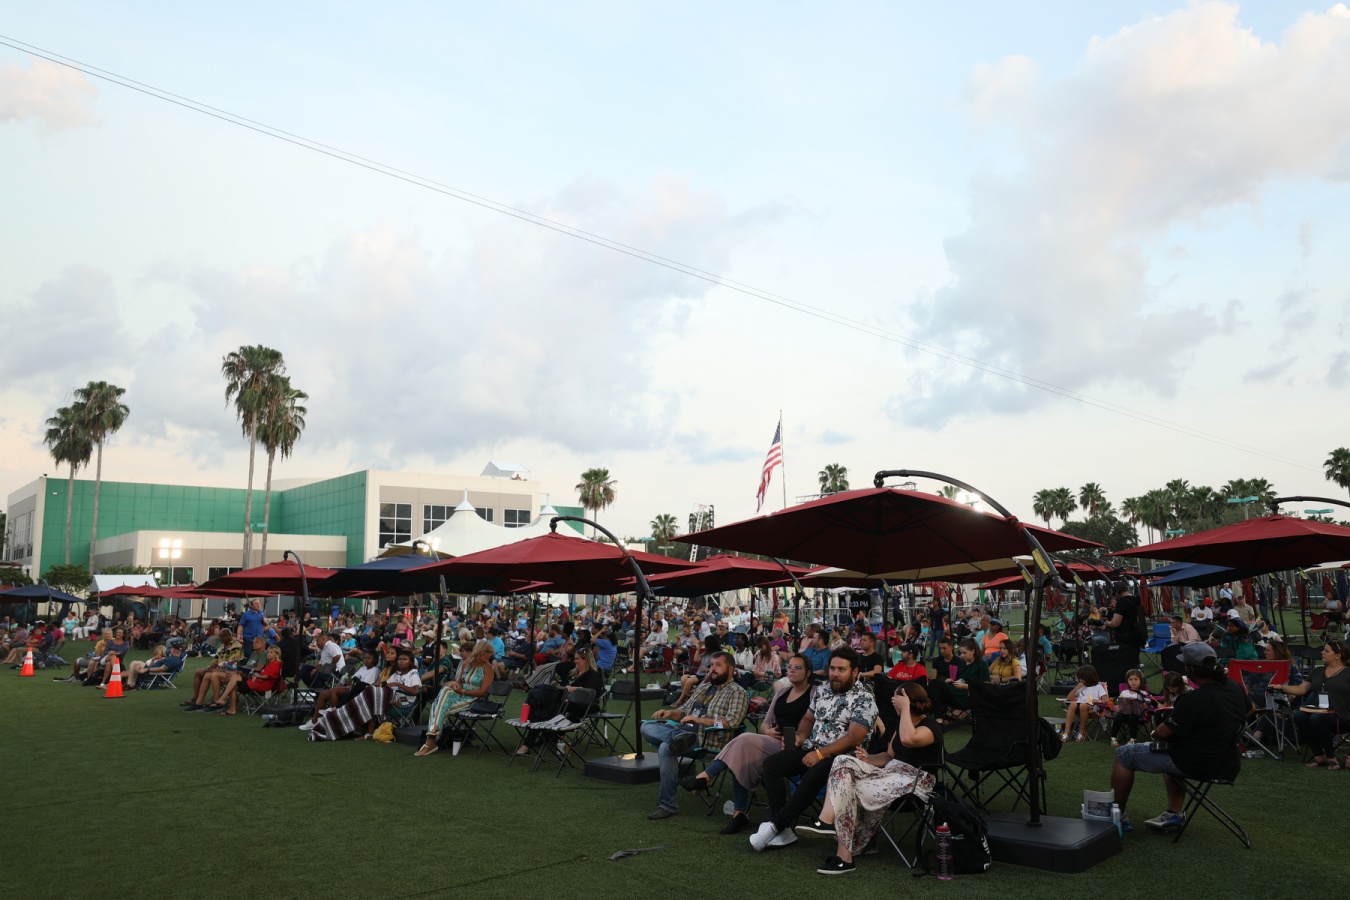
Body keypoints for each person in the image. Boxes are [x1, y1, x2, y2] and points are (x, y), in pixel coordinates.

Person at [803, 682, 942, 874]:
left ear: (906, 701)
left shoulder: (931, 727)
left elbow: (908, 739)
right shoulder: (901, 724)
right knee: (843, 760)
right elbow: (888, 756)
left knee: (849, 788)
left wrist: (906, 709)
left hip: (915, 780)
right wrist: (868, 758)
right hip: (890, 773)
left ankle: (844, 857)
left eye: (896, 699)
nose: (893, 703)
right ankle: (826, 821)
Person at [750, 648, 878, 851]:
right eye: (832, 668)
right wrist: (800, 736)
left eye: (841, 669)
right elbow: (809, 718)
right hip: (812, 748)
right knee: (771, 765)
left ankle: (776, 825)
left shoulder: (864, 698)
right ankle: (782, 828)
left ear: (854, 672)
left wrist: (820, 754)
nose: (835, 674)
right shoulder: (824, 689)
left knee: (814, 773)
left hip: (842, 758)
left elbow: (854, 738)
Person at [1110, 642, 1246, 832]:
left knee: (1124, 754)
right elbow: (1250, 710)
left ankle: (1116, 817)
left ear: (1190, 670)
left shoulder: (1194, 699)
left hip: (1199, 763)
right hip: (1228, 762)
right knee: (1172, 748)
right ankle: (1174, 813)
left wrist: (1155, 733)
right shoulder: (1234, 687)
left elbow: (1161, 733)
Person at [679, 653, 813, 833]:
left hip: (795, 744)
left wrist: (797, 736)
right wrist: (768, 731)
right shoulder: (782, 692)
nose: (792, 670)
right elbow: (765, 723)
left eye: (797, 667)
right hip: (772, 739)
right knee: (742, 753)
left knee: (743, 740)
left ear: (808, 672)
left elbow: (813, 723)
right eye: (789, 667)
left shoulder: (815, 693)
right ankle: (738, 814)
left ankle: (706, 778)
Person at [641, 651, 748, 821]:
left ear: (730, 669)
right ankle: (679, 738)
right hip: (684, 732)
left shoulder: (737, 692)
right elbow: (684, 712)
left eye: (718, 665)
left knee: (665, 748)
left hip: (706, 739)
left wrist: (700, 720)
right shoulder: (704, 687)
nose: (712, 669)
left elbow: (731, 722)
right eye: (711, 665)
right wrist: (669, 713)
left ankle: (667, 805)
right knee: (645, 726)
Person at [1276, 639, 1350, 769]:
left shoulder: (1348, 673)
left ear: (1338, 655)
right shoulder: (1318, 671)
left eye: (1326, 651)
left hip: (1343, 716)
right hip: (1320, 712)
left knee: (1316, 718)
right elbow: (1302, 689)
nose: (1322, 652)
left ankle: (1332, 758)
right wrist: (1281, 687)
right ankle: (1319, 755)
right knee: (1299, 716)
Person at [415, 639, 495, 756]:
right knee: (446, 691)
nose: (490, 655)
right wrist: (455, 685)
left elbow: (482, 692)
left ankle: (431, 739)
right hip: (459, 695)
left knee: (439, 706)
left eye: (491, 652)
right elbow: (459, 682)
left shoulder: (488, 668)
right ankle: (432, 738)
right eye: (487, 651)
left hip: (473, 699)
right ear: (479, 651)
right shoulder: (467, 664)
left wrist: (462, 691)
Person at [930, 639, 989, 721]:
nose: (962, 655)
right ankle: (939, 719)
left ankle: (938, 718)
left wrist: (965, 686)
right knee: (935, 691)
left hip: (968, 696)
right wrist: (952, 680)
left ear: (973, 651)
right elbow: (957, 678)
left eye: (964, 653)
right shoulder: (962, 663)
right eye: (961, 653)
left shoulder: (981, 664)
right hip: (956, 692)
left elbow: (985, 686)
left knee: (933, 683)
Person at [1062, 665, 1108, 742]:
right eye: (1079, 678)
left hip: (1093, 708)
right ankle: (1067, 731)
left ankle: (1082, 730)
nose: (1080, 680)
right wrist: (1076, 688)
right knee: (1073, 704)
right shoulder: (1081, 686)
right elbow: (1069, 698)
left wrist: (1097, 701)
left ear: (1090, 678)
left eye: (1082, 678)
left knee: (1083, 705)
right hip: (1079, 708)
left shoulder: (1098, 687)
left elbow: (1105, 700)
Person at [1110, 669, 1153, 747]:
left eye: (1136, 679)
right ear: (1127, 681)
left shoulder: (1143, 693)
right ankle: (1113, 738)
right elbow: (1119, 703)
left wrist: (1142, 703)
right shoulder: (1124, 692)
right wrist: (1117, 707)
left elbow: (1147, 703)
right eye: (1130, 679)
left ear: (1140, 681)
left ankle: (1133, 739)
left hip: (1137, 714)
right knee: (1118, 718)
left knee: (1132, 717)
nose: (1133, 682)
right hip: (1124, 713)